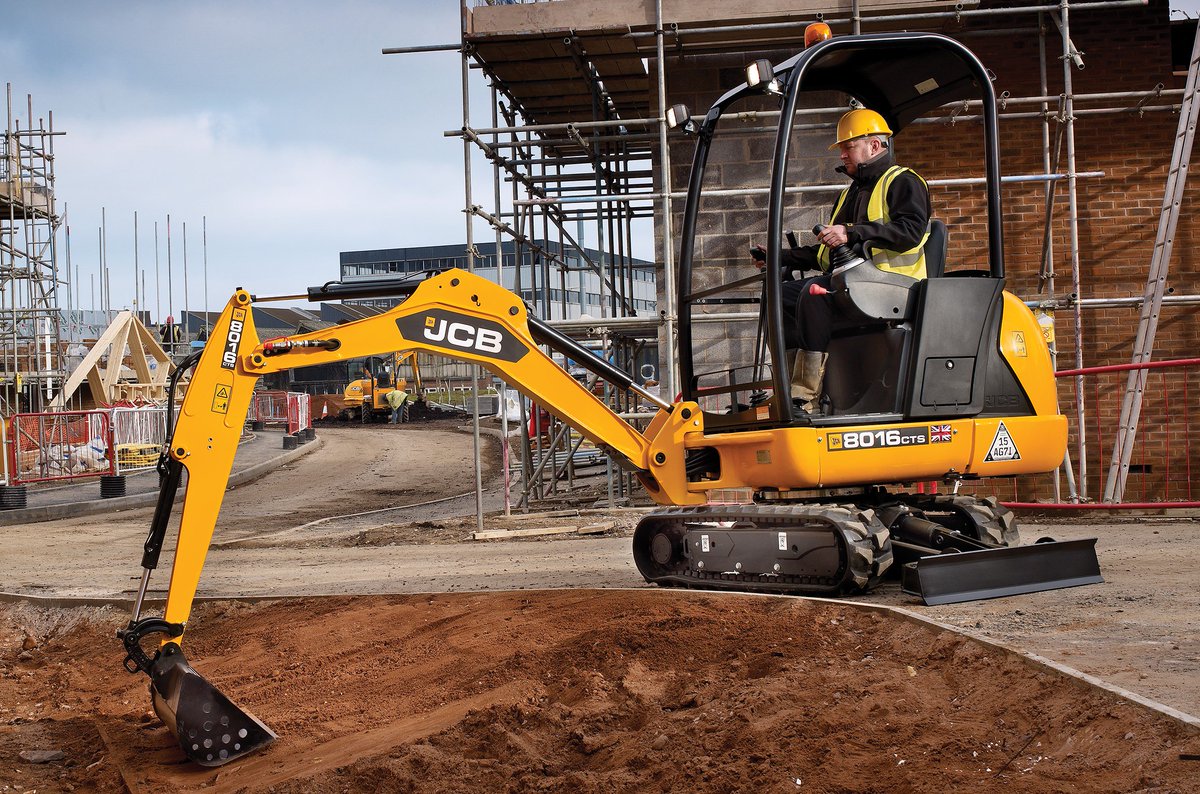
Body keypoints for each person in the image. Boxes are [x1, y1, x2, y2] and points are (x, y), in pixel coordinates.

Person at [755, 107, 931, 416]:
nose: (843, 155)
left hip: (895, 287)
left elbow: (911, 232)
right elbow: (826, 254)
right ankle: (786, 389)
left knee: (813, 295)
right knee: (779, 296)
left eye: (848, 147)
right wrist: (777, 257)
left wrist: (851, 233)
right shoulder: (851, 194)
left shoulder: (904, 181)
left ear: (873, 145)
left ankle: (804, 396)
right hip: (856, 284)